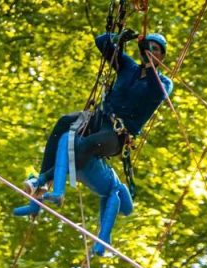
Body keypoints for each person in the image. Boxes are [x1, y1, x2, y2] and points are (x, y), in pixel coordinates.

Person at [25, 31, 173, 197]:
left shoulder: (164, 83)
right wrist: (120, 37)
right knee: (65, 121)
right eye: (148, 47)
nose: (150, 51)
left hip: (117, 134)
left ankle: (42, 180)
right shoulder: (127, 66)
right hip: (99, 118)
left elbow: (156, 92)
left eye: (155, 49)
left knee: (88, 144)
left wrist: (148, 65)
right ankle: (42, 181)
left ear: (162, 57)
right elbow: (101, 41)